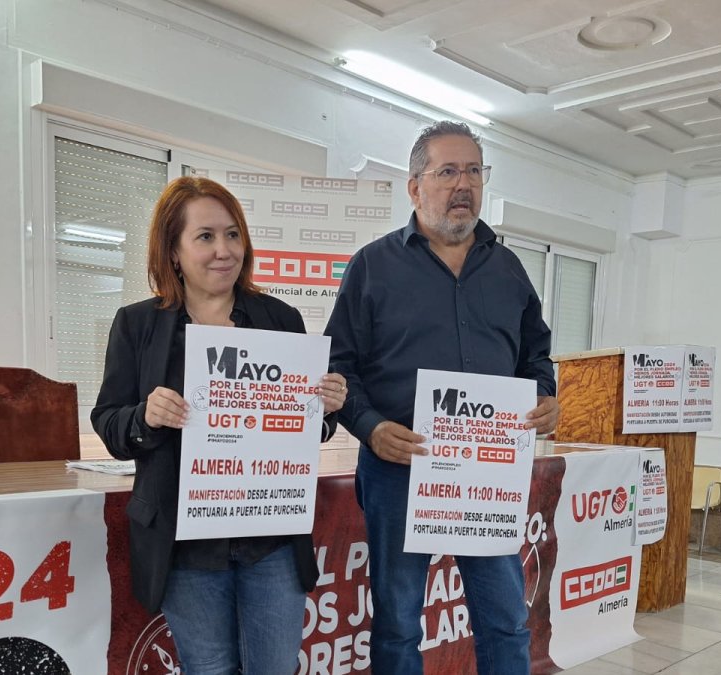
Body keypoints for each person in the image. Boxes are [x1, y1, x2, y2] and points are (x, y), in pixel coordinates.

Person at [324, 121, 559, 674]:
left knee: (505, 617)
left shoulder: (508, 269)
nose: (464, 184)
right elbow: (338, 367)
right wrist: (371, 427)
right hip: (398, 468)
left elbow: (536, 355)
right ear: (414, 187)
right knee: (400, 624)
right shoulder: (372, 267)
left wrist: (546, 394)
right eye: (447, 171)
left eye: (474, 171)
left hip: (486, 470)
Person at [92, 176, 347, 675]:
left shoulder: (280, 319)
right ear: (173, 251)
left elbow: (306, 429)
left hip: (270, 535)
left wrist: (327, 406)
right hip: (184, 542)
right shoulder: (138, 325)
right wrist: (146, 415)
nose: (224, 250)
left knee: (273, 668)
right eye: (205, 236)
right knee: (207, 669)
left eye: (232, 234)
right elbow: (109, 423)